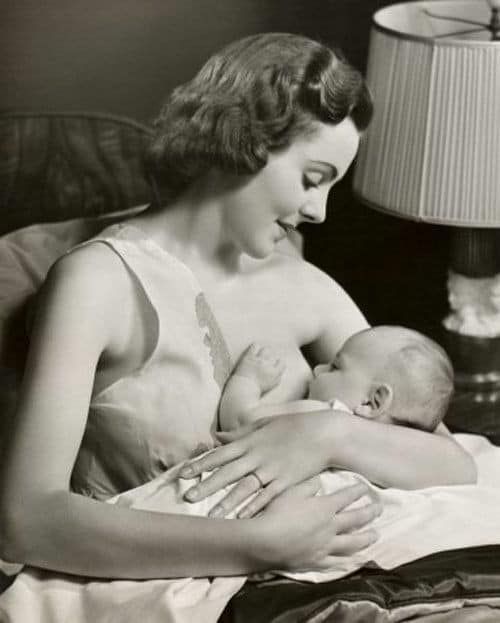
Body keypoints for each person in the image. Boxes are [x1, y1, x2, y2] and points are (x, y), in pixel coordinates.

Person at [0, 33, 476, 583]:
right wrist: (257, 545)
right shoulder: (99, 282)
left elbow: (453, 464)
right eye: (313, 179)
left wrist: (328, 435)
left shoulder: (305, 286)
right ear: (246, 140)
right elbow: (23, 519)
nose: (320, 211)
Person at [219, 325, 454, 435]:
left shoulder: (324, 414)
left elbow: (239, 423)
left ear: (372, 402)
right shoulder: (400, 453)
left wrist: (248, 378)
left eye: (335, 367)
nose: (318, 369)